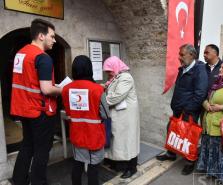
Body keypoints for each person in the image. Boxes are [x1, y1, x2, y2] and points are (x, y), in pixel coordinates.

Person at [10, 19, 61, 185]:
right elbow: (46, 89)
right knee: (42, 150)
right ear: (41, 36)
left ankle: (19, 180)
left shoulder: (20, 54)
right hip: (40, 111)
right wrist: (62, 89)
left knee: (27, 146)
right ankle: (39, 182)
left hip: (23, 110)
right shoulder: (43, 58)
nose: (54, 40)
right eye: (52, 36)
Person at [156, 44, 208, 175]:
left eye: (182, 54)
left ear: (192, 55)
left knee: (189, 137)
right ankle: (171, 153)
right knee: (172, 130)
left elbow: (200, 94)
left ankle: (190, 162)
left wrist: (188, 109)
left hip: (189, 111)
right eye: (179, 54)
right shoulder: (183, 69)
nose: (179, 57)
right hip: (178, 109)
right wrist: (175, 105)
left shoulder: (199, 70)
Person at [61, 55, 107, 185]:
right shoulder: (98, 89)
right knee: (93, 168)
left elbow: (69, 112)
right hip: (95, 135)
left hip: (77, 133)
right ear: (89, 69)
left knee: (78, 164)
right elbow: (106, 115)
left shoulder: (66, 89)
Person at [103, 56, 140, 179]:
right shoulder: (116, 77)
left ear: (115, 66)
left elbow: (116, 96)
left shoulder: (126, 78)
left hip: (126, 116)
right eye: (107, 71)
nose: (108, 73)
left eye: (109, 70)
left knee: (128, 141)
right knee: (118, 140)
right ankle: (119, 164)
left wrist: (100, 101)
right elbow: (111, 91)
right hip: (119, 114)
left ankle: (132, 168)